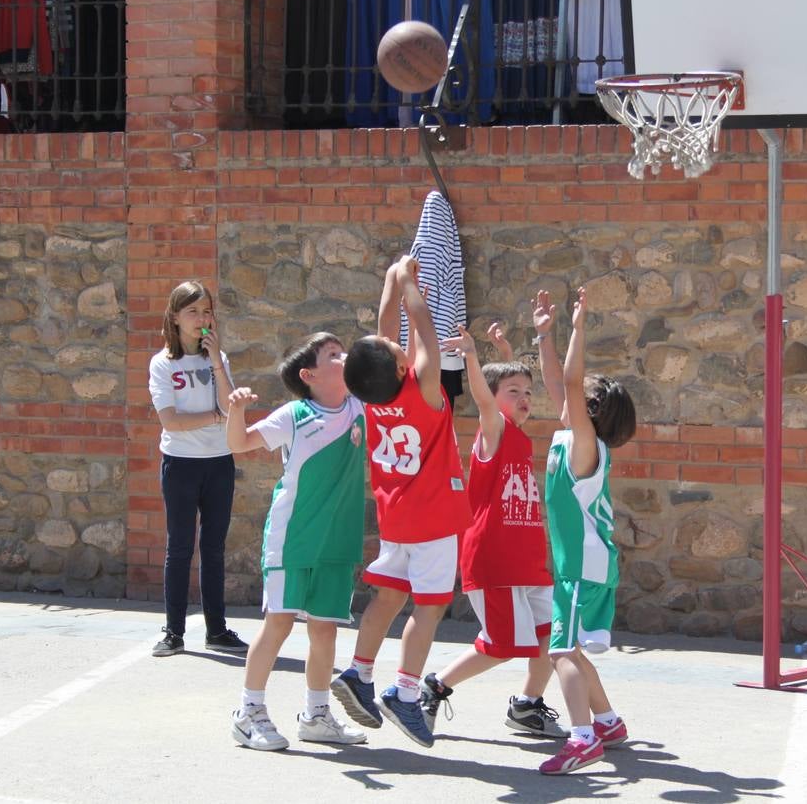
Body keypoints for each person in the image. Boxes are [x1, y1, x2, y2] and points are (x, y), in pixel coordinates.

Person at [332, 255, 471, 748]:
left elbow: (385, 332)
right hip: (433, 520)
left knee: (387, 597)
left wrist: (392, 280)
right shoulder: (425, 391)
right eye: (396, 350)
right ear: (397, 364)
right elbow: (423, 335)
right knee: (428, 608)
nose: (398, 344)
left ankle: (357, 672)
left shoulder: (375, 400)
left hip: (396, 520)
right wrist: (411, 287)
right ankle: (406, 693)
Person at [419, 294, 570, 739]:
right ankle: (434, 686)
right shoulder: (494, 431)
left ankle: (527, 705)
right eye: (514, 394)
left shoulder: (518, 435)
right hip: (494, 561)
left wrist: (505, 357)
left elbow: (500, 387)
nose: (524, 399)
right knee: (504, 645)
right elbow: (488, 399)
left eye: (528, 393)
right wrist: (471, 357)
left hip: (528, 563)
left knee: (551, 635)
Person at [224, 332, 368, 751]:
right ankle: (248, 713)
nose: (345, 357)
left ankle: (316, 715)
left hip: (336, 543)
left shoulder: (360, 407)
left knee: (325, 630)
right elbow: (240, 443)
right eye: (333, 355)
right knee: (279, 624)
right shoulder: (295, 414)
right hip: (293, 539)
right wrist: (236, 410)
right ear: (310, 375)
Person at [538, 287, 637, 775]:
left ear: (590, 411)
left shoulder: (585, 447)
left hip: (583, 565)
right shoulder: (572, 439)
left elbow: (571, 384)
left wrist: (578, 327)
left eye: (579, 400)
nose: (564, 399)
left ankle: (582, 740)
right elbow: (560, 382)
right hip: (583, 563)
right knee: (570, 647)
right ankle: (608, 722)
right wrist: (545, 336)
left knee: (560, 651)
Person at [146, 280, 248, 658]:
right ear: (175, 317)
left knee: (214, 548)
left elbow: (231, 405)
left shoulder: (217, 360)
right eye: (193, 311)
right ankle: (173, 632)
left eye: (207, 311)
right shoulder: (162, 363)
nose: (202, 319)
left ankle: (216, 630)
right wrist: (215, 416)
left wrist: (218, 363)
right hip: (181, 464)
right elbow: (170, 421)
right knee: (180, 548)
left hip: (219, 462)